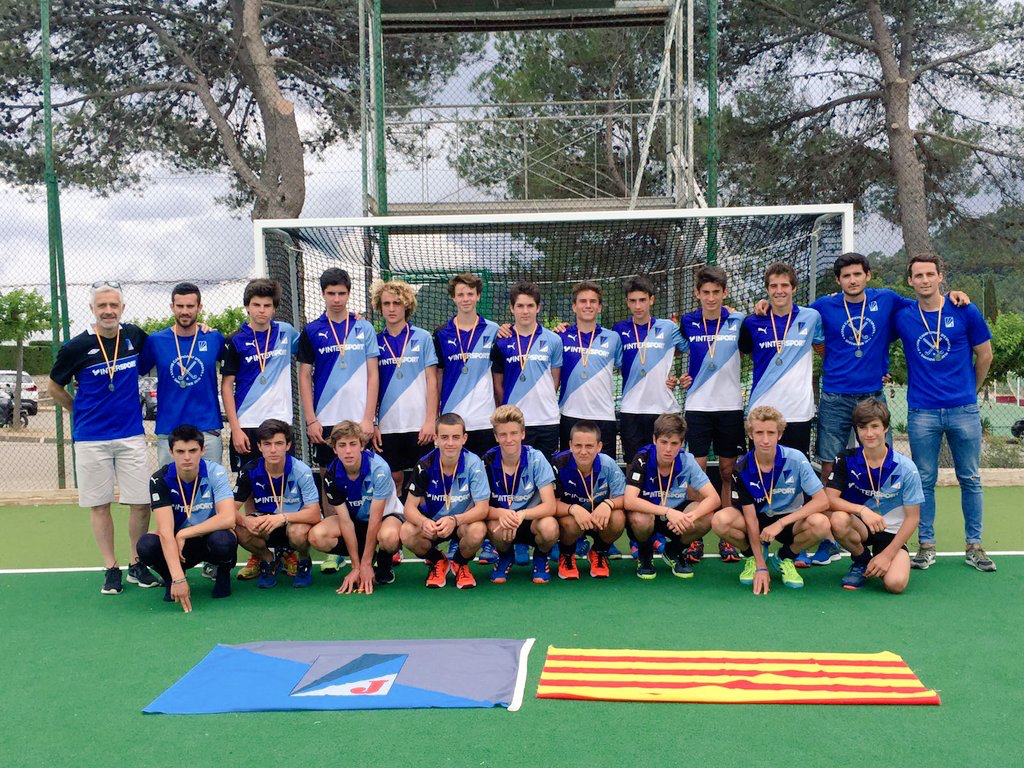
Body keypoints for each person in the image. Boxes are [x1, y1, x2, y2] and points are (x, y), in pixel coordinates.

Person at [48, 280, 160, 595]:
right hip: (91, 438)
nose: (108, 311)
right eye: (102, 306)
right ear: (93, 310)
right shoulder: (75, 347)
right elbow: (54, 386)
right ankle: (111, 568)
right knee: (100, 505)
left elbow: (165, 346)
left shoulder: (135, 337)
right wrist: (77, 411)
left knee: (140, 502)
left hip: (130, 435)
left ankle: (137, 563)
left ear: (122, 309)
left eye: (114, 306)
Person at [892, 253, 995, 572]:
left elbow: (985, 354)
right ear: (910, 281)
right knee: (924, 479)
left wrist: (971, 391)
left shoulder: (964, 309)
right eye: (918, 275)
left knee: (971, 478)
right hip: (923, 410)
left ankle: (974, 546)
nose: (924, 280)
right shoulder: (903, 314)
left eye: (929, 274)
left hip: (963, 409)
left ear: (940, 277)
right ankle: (926, 546)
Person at [297, 268, 380, 574]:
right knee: (327, 477)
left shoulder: (363, 328)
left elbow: (374, 374)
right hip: (325, 420)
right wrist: (311, 419)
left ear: (349, 293)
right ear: (323, 294)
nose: (336, 299)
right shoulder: (311, 331)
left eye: (341, 293)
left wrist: (369, 418)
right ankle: (336, 550)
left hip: (359, 421)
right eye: (330, 293)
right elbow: (304, 376)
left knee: (368, 476)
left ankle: (375, 543)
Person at [711, 406, 831, 593]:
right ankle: (753, 556)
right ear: (750, 434)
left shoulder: (796, 459)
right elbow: (750, 519)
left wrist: (781, 523)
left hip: (789, 521)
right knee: (720, 519)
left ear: (780, 434)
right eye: (759, 433)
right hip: (758, 523)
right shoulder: (741, 468)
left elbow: (822, 501)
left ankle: (784, 557)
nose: (765, 440)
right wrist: (760, 566)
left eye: (771, 433)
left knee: (821, 523)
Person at [678, 265, 745, 564]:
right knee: (697, 471)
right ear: (697, 294)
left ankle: (726, 535)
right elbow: (673, 352)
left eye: (716, 293)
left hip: (730, 406)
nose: (711, 298)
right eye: (705, 293)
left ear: (725, 293)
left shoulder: (739, 321)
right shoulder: (687, 322)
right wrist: (679, 376)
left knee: (729, 471)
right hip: (698, 407)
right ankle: (695, 536)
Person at [136, 425, 238, 611]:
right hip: (178, 545)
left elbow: (229, 518)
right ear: (171, 452)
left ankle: (223, 574)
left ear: (202, 450)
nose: (187, 457)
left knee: (224, 539)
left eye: (193, 450)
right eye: (180, 451)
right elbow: (166, 532)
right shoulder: (160, 480)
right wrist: (178, 578)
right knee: (146, 545)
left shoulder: (215, 472)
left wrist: (185, 533)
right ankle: (170, 578)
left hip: (208, 538)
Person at [826, 399, 922, 593]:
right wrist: (861, 510)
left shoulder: (906, 468)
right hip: (861, 527)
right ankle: (862, 560)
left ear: (885, 428)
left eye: (874, 426)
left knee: (895, 585)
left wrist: (888, 555)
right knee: (838, 519)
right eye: (862, 428)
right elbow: (829, 499)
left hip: (892, 534)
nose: (869, 434)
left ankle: (882, 557)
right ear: (857, 430)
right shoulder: (846, 459)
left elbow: (913, 518)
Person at [308, 421, 405, 591]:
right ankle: (361, 558)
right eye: (342, 445)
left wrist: (366, 565)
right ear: (334, 449)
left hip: (385, 519)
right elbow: (345, 521)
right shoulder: (331, 475)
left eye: (353, 444)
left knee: (389, 537)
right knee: (317, 536)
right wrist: (356, 566)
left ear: (361, 445)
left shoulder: (379, 469)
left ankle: (383, 562)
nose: (348, 451)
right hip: (354, 521)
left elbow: (375, 519)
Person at [739, 263, 824, 458]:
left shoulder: (811, 317)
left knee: (795, 471)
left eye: (784, 285)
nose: (779, 291)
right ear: (767, 289)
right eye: (774, 286)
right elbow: (748, 353)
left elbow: (823, 350)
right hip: (762, 410)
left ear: (794, 288)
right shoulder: (752, 321)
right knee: (761, 471)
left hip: (798, 410)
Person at [140, 282, 226, 468]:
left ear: (199, 307)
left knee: (209, 489)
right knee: (171, 490)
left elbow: (234, 369)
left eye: (190, 306)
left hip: (207, 428)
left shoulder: (213, 338)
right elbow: (136, 370)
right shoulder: (156, 341)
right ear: (172, 307)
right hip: (170, 429)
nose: (184, 311)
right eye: (180, 306)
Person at [624, 413, 720, 580]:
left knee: (706, 516)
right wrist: (667, 512)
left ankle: (674, 551)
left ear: (681, 443)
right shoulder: (642, 459)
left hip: (677, 520)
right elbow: (629, 500)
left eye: (674, 443)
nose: (668, 449)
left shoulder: (687, 460)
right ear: (655, 440)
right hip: (650, 516)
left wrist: (692, 516)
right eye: (664, 442)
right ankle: (645, 556)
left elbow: (714, 498)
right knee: (639, 518)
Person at [401, 413, 490, 589]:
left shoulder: (474, 464)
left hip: (461, 523)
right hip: (432, 525)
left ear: (464, 438)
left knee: (478, 529)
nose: (450, 443)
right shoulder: (424, 465)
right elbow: (409, 508)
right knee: (406, 532)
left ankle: (460, 563)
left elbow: (483, 509)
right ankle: (438, 561)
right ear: (435, 438)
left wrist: (455, 520)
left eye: (455, 437)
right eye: (444, 437)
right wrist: (423, 521)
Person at [222, 278, 300, 473]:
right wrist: (236, 429)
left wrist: (353, 319)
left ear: (274, 308)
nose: (261, 310)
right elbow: (226, 387)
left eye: (267, 305)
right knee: (249, 486)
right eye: (256, 305)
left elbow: (313, 346)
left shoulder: (286, 332)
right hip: (248, 423)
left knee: (283, 481)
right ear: (247, 306)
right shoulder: (235, 340)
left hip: (281, 421)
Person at [231, 419, 320, 589]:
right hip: (265, 525)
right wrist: (246, 521)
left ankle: (303, 560)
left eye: (279, 443)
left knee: (299, 531)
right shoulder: (250, 470)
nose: (273, 450)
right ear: (259, 446)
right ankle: (268, 560)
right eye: (267, 444)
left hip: (292, 523)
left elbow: (315, 514)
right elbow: (229, 510)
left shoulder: (301, 470)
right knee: (238, 527)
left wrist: (283, 518)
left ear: (287, 446)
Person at [371, 279, 439, 492]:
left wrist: (430, 420)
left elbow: (432, 380)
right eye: (386, 303)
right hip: (387, 424)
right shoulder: (374, 340)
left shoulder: (423, 337)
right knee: (393, 478)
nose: (391, 309)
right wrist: (373, 423)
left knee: (422, 478)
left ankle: (419, 523)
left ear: (407, 305)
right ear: (379, 307)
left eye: (397, 303)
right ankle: (396, 520)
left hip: (419, 424)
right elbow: (369, 384)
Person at [614, 276, 688, 465]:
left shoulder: (668, 327)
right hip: (631, 408)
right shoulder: (619, 330)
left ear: (652, 299)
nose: (638, 306)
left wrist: (681, 377)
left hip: (663, 409)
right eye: (633, 301)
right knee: (633, 465)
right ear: (627, 302)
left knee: (666, 464)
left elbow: (692, 348)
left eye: (642, 300)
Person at [483, 405, 559, 584]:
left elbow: (550, 505)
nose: (509, 439)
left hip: (532, 520)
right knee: (491, 523)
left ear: (523, 434)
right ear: (496, 437)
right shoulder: (486, 461)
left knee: (550, 527)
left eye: (514, 433)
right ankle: (505, 557)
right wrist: (503, 514)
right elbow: (480, 507)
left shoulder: (537, 458)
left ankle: (541, 558)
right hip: (503, 522)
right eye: (503, 434)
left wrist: (521, 514)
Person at [491, 281, 563, 458]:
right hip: (515, 422)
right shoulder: (501, 341)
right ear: (511, 308)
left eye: (530, 306)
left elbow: (555, 380)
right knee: (518, 473)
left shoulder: (554, 340)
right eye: (520, 306)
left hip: (547, 420)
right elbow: (498, 385)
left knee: (546, 474)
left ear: (538, 308)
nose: (525, 311)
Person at [551, 420, 626, 579]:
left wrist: (608, 503)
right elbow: (550, 504)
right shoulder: (558, 465)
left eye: (589, 446)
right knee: (569, 523)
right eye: (578, 446)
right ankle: (566, 555)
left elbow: (625, 498)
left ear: (599, 446)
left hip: (599, 518)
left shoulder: (608, 464)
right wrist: (573, 509)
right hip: (572, 519)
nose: (583, 451)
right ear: (570, 445)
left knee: (618, 518)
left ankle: (599, 552)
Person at [556, 281, 623, 458]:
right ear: (574, 306)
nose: (588, 305)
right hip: (570, 414)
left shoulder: (613, 338)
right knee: (569, 469)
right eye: (582, 301)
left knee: (604, 472)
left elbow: (629, 369)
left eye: (593, 301)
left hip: (604, 416)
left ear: (599, 307)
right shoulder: (560, 337)